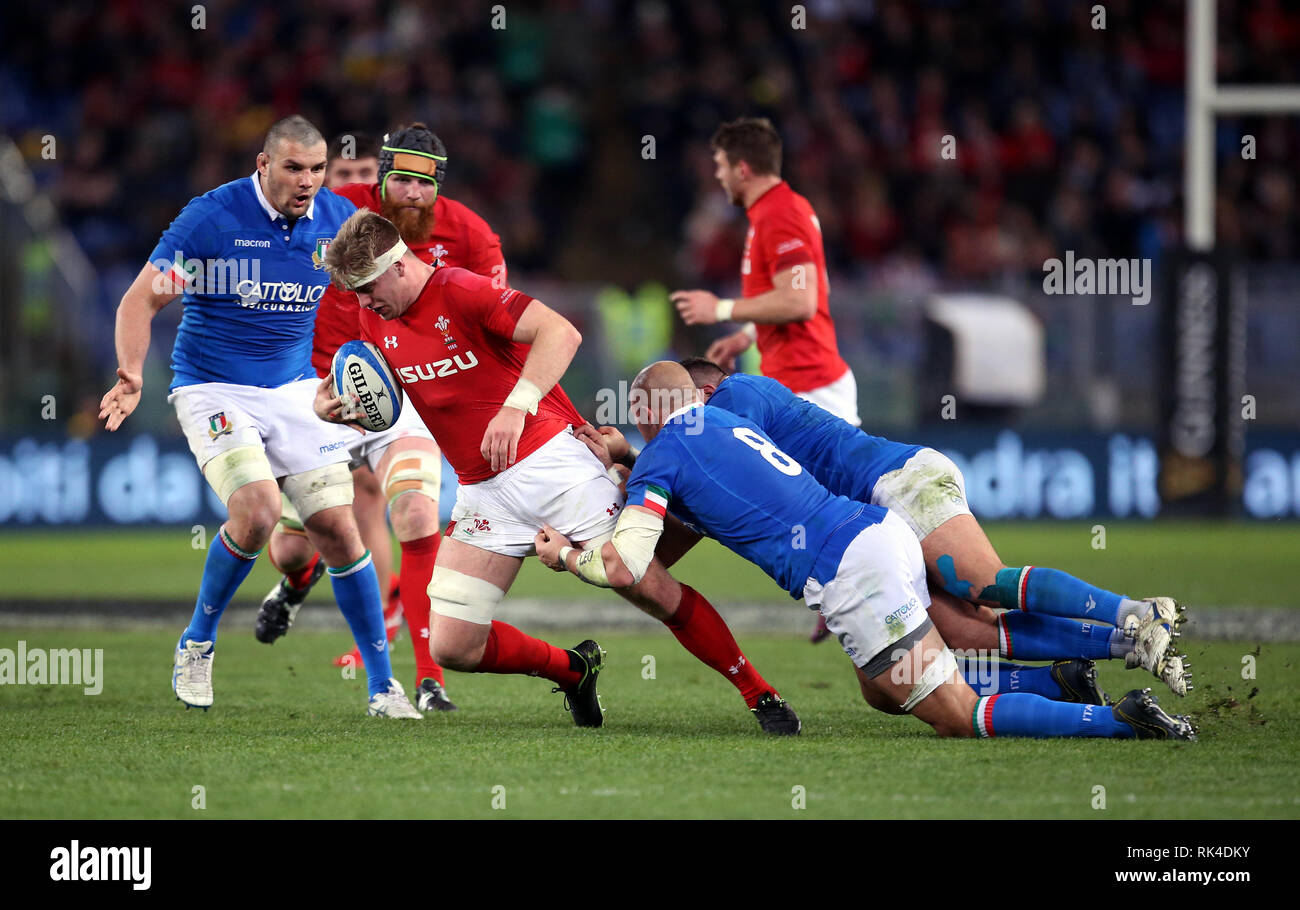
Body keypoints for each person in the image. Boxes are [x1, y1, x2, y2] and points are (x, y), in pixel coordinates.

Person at [314, 209, 800, 733]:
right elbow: (402, 393)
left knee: (648, 586)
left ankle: (759, 692)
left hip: (551, 464)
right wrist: (342, 410)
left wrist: (515, 405)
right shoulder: (375, 317)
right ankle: (574, 670)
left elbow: (561, 332)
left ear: (399, 265)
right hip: (483, 489)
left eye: (366, 286)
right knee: (454, 644)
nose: (361, 301)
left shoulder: (459, 289)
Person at [534, 362, 1196, 741]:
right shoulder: (730, 418)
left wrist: (567, 551)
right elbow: (720, 488)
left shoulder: (679, 445)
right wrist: (635, 461)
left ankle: (1118, 712)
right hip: (879, 531)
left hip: (859, 555)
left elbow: (630, 561)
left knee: (960, 704)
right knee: (894, 679)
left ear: (649, 413)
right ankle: (1067, 674)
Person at [98, 115, 420, 718]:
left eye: (318, 168)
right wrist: (132, 372)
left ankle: (382, 687)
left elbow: (393, 292)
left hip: (296, 391)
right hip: (212, 388)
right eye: (294, 168)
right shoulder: (213, 220)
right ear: (263, 165)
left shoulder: (336, 223)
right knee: (258, 510)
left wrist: (365, 378)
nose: (308, 181)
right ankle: (197, 642)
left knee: (339, 532)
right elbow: (141, 299)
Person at [670, 358, 1191, 700]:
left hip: (894, 481)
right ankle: (1092, 666)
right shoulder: (708, 430)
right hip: (864, 533)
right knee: (895, 680)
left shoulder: (733, 397)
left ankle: (1138, 612)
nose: (672, 418)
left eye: (677, 400)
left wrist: (642, 472)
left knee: (982, 581)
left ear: (707, 387)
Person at [256, 123, 506, 713]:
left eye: (425, 183)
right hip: (320, 397)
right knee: (292, 548)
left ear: (438, 184)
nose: (412, 194)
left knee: (417, 512)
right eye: (401, 180)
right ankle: (296, 581)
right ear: (382, 177)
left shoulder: (471, 234)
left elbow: (496, 322)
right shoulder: (336, 215)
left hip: (403, 395)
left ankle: (428, 679)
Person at [670, 117, 860, 642]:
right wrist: (748, 334)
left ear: (743, 167)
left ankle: (898, 589)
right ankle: (845, 584)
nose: (718, 177)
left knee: (855, 506)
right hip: (794, 381)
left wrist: (723, 307)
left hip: (811, 385)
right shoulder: (774, 214)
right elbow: (795, 295)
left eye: (720, 166)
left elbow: (800, 300)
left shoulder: (780, 216)